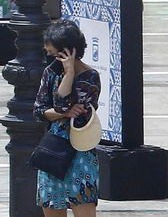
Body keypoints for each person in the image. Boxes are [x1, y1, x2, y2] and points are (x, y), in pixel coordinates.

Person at [34, 20, 102, 217]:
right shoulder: (50, 73)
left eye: (55, 54)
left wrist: (70, 72)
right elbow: (40, 110)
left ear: (68, 51)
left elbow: (63, 105)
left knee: (84, 206)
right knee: (51, 205)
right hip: (53, 148)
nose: (52, 59)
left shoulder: (90, 77)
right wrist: (62, 113)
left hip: (80, 149)